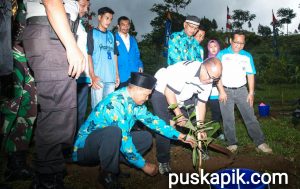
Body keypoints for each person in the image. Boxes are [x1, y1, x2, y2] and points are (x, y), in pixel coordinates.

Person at [73, 72, 196, 189]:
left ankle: (112, 165)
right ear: (136, 89)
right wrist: (144, 165)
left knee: (146, 138)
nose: (148, 98)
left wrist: (181, 136)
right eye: (147, 94)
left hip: (105, 143)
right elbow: (124, 139)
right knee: (114, 132)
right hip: (85, 148)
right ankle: (107, 175)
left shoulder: (135, 103)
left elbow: (154, 122)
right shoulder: (115, 104)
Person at [22, 0, 85, 187]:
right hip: (52, 33)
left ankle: (51, 170)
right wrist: (72, 46)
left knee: (59, 109)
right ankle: (47, 179)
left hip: (54, 32)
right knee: (58, 111)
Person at [150, 58, 222, 175]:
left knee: (194, 120)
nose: (211, 81)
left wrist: (201, 127)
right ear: (203, 67)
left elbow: (201, 105)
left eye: (215, 79)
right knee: (164, 126)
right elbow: (169, 92)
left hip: (183, 94)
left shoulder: (209, 80)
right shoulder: (186, 70)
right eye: (210, 77)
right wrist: (178, 116)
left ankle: (199, 147)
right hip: (161, 92)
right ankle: (163, 160)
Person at [217, 31, 272, 154]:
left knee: (250, 117)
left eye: (242, 43)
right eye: (236, 42)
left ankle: (260, 142)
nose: (238, 45)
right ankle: (232, 143)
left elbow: (250, 74)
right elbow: (217, 75)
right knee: (228, 119)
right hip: (225, 90)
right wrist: (221, 91)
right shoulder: (222, 54)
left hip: (242, 90)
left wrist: (251, 92)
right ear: (231, 41)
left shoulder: (247, 56)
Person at [88, 7, 120, 109]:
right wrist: (92, 76)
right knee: (97, 109)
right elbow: (88, 54)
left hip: (111, 79)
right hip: (98, 78)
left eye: (111, 19)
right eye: (106, 18)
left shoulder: (112, 35)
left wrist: (116, 75)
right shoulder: (92, 33)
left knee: (108, 109)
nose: (109, 21)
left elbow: (115, 55)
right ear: (99, 17)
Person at [115, 16, 144, 88]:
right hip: (121, 75)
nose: (126, 27)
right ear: (118, 26)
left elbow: (137, 54)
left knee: (134, 98)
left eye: (127, 24)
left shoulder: (133, 39)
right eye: (123, 24)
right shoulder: (113, 38)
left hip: (134, 73)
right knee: (122, 97)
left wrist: (140, 65)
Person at [76, 0, 90, 130]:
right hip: (72, 75)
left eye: (87, 7)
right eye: (83, 5)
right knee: (68, 115)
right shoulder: (66, 23)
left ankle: (77, 144)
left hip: (83, 77)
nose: (86, 9)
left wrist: (89, 75)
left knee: (80, 114)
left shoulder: (80, 25)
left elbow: (85, 53)